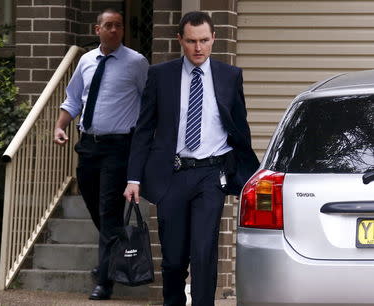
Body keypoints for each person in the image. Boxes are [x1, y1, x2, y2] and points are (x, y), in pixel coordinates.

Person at [123, 11, 259, 306]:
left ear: (213, 39)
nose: (198, 48)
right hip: (172, 174)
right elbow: (144, 129)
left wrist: (246, 173)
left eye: (204, 41)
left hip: (211, 175)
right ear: (179, 41)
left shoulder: (229, 76)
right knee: (173, 259)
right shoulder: (160, 76)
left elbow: (239, 127)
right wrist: (134, 178)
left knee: (203, 253)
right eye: (191, 41)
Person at [54, 8, 149, 300]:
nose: (114, 30)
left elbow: (148, 103)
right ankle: (117, 245)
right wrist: (60, 126)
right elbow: (73, 99)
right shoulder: (85, 61)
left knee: (108, 210)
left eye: (118, 26)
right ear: (97, 30)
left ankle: (104, 280)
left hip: (119, 146)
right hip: (88, 144)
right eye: (108, 26)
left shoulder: (136, 63)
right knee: (96, 204)